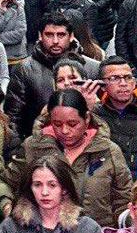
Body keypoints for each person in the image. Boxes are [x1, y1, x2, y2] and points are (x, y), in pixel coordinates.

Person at [0, 88, 133, 228]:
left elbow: (124, 201)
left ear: (86, 119)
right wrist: (8, 208)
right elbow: (4, 183)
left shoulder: (109, 151)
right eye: (57, 124)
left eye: (72, 124)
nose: (65, 131)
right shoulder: (33, 147)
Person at [6, 12, 101, 141]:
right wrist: (17, 150)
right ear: (40, 36)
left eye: (61, 35)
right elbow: (13, 117)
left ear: (71, 36)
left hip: (88, 146)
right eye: (49, 35)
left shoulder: (93, 67)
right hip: (39, 144)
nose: (55, 41)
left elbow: (108, 115)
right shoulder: (24, 69)